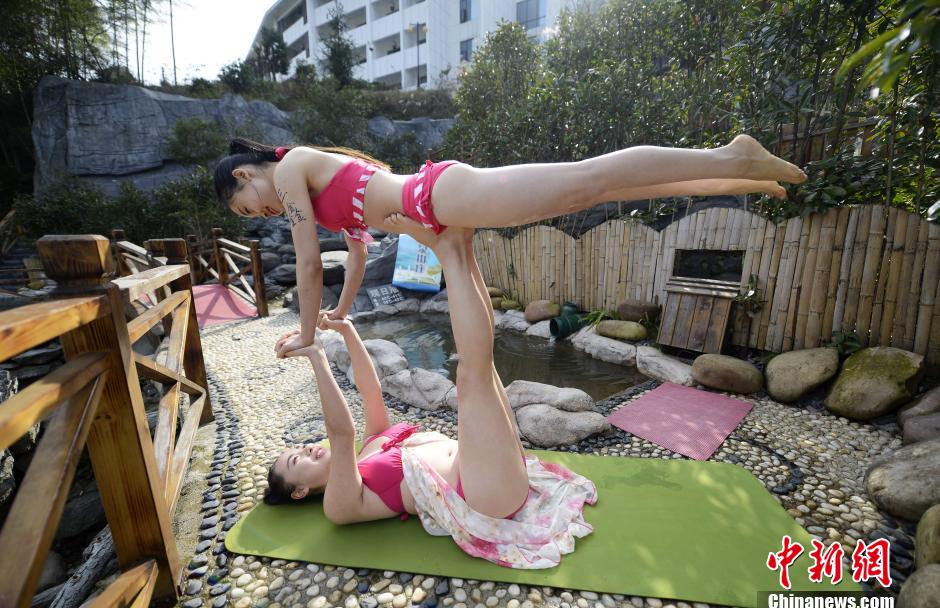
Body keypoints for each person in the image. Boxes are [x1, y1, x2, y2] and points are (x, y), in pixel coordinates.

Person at [214, 136, 806, 357]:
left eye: (249, 205)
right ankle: (739, 176)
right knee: (589, 190)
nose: (261, 213)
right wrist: (340, 315)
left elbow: (310, 261)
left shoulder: (290, 168)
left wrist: (309, 333)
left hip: (442, 194)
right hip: (441, 202)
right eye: (252, 217)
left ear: (246, 174)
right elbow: (357, 255)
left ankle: (727, 156)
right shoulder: (317, 196)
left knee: (589, 177)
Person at [265, 226, 598, 568]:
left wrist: (347, 330)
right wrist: (316, 357)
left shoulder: (369, 447)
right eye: (296, 460)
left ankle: (461, 244)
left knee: (481, 364)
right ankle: (449, 246)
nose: (305, 448)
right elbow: (340, 431)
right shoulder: (341, 505)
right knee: (471, 371)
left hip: (492, 469)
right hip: (481, 495)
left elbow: (370, 390)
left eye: (298, 448)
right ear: (299, 491)